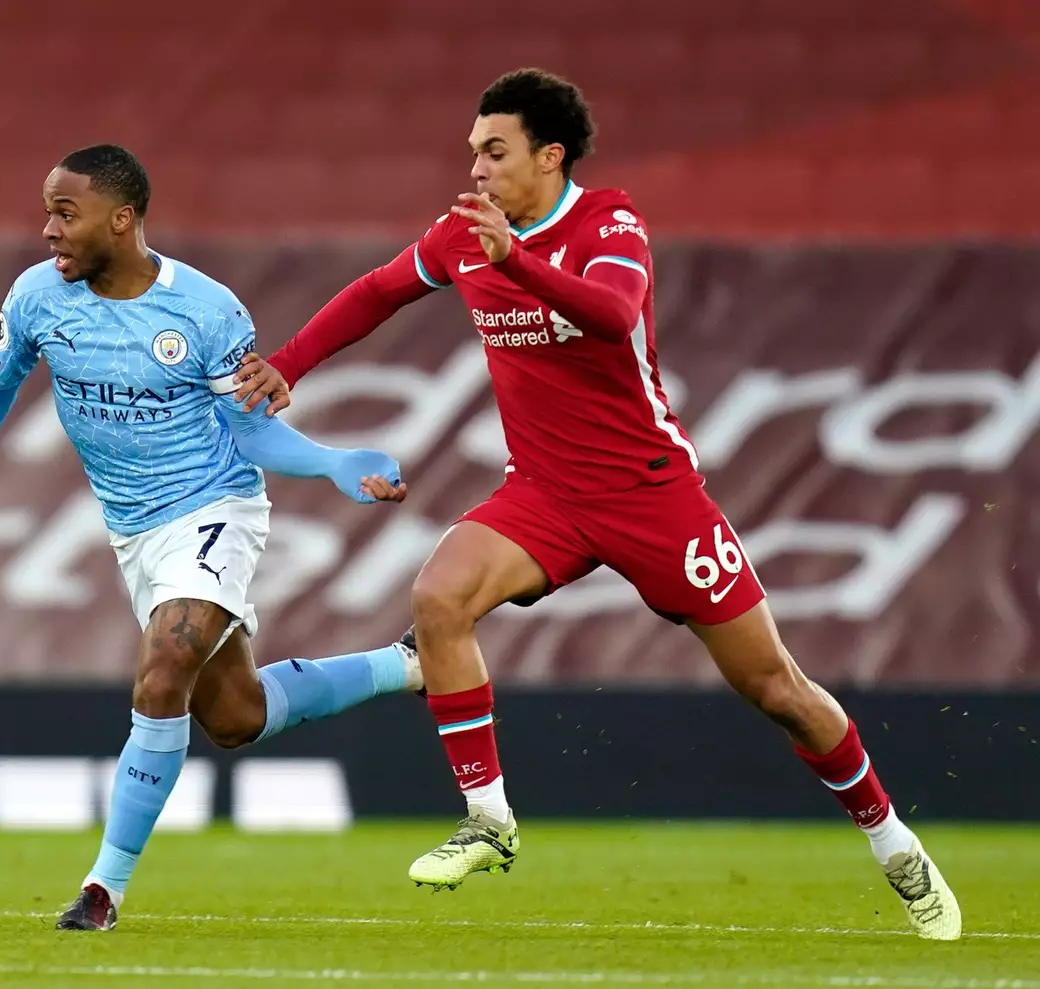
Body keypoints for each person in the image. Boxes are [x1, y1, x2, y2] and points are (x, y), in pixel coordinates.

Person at [231, 69, 961, 940]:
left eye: (494, 152)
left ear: (549, 155)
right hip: (544, 492)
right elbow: (379, 290)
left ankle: (894, 842)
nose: (477, 170)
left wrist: (519, 261)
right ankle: (489, 819)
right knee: (437, 599)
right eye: (472, 152)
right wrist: (290, 362)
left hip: (653, 494)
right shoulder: (465, 237)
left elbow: (615, 314)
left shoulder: (609, 223)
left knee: (778, 689)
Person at [0, 144, 420, 932]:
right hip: (133, 532)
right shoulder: (37, 299)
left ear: (121, 220)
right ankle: (406, 665)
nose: (48, 230)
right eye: (47, 211)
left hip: (214, 509)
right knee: (234, 715)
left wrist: (335, 464)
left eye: (67, 213)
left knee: (165, 661)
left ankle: (103, 887)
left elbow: (253, 433)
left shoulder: (204, 311)